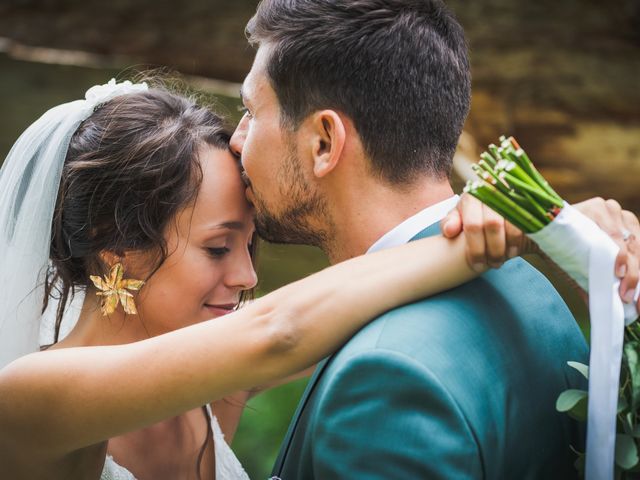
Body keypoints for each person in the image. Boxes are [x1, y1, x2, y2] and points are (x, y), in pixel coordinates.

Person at [0, 80, 585, 480]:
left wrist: (566, 229)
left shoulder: (215, 384)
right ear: (118, 249)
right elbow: (280, 329)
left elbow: (355, 312)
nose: (248, 274)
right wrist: (480, 240)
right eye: (216, 247)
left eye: (247, 243)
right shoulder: (31, 397)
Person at [229, 0, 640, 478]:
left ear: (324, 142)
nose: (237, 139)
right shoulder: (532, 288)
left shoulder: (385, 378)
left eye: (251, 111)